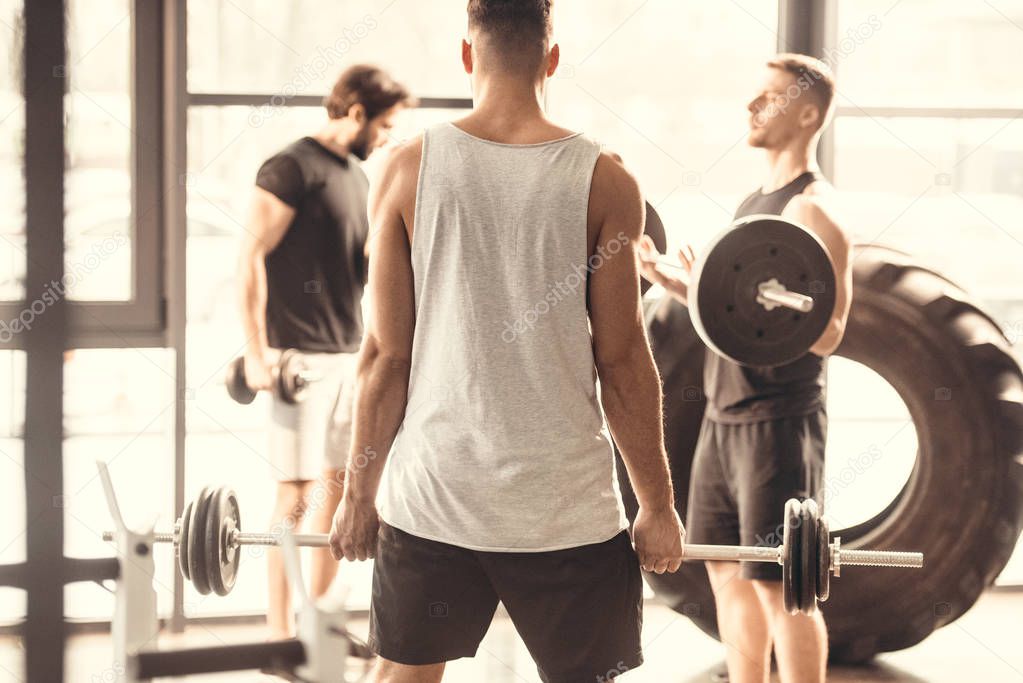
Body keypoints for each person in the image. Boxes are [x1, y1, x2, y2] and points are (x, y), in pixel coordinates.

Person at [327, 1, 685, 681]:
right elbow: (622, 359)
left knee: (402, 677)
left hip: (434, 497)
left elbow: (384, 356)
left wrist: (357, 494)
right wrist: (657, 506)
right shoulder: (607, 180)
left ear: (467, 55)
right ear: (552, 58)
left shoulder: (405, 168)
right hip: (565, 511)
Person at [639, 54, 853, 683]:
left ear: (808, 113)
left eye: (770, 97)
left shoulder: (814, 209)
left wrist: (784, 303)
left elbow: (830, 331)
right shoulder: (755, 202)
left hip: (779, 420)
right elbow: (739, 321)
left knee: (783, 584)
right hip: (723, 413)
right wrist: (680, 285)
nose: (752, 107)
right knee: (726, 573)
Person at [236, 64, 413, 639]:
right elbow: (250, 257)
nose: (386, 138)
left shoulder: (356, 178)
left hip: (348, 354)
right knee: (295, 492)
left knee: (338, 488)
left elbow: (365, 269)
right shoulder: (291, 167)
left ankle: (319, 624)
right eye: (384, 125)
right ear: (357, 112)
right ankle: (279, 636)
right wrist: (257, 352)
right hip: (299, 360)